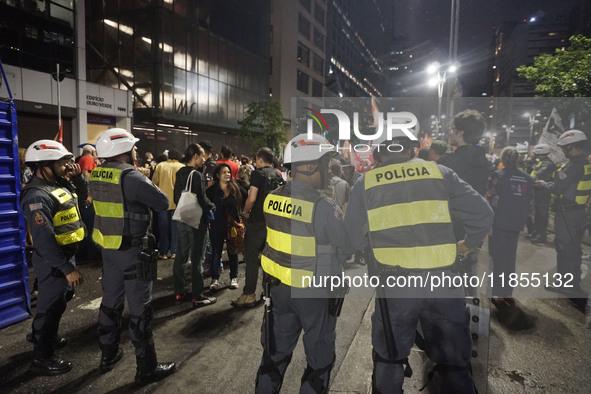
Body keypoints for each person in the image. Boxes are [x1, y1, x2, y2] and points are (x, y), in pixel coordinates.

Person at [345, 129, 494, 393]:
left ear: (379, 154)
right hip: (445, 280)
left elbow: (354, 240)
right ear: (412, 149)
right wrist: (469, 244)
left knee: (389, 358)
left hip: (395, 285)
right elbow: (483, 213)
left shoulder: (365, 183)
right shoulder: (439, 172)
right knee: (453, 363)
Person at [255, 133, 351, 392]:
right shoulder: (323, 206)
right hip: (313, 295)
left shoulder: (271, 198)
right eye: (325, 164)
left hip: (278, 292)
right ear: (309, 166)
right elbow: (347, 243)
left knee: (272, 361)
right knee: (319, 363)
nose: (329, 170)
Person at [89, 128, 175, 383]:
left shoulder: (98, 173)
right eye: (134, 147)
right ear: (123, 151)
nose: (136, 151)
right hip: (133, 252)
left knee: (110, 304)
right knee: (140, 311)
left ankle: (108, 355)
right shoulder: (131, 177)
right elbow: (161, 202)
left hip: (109, 249)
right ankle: (146, 368)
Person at [21, 140, 86, 375]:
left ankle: (41, 334)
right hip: (54, 260)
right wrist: (67, 268)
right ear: (43, 166)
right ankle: (41, 357)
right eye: (62, 162)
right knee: (51, 307)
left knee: (62, 297)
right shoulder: (36, 196)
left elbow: (80, 200)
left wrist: (77, 179)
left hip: (65, 254)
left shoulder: (57, 184)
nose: (68, 165)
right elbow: (44, 240)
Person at [536, 130, 591, 298]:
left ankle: (567, 285)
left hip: (568, 214)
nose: (563, 151)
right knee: (573, 249)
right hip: (578, 212)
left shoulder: (574, 165)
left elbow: (558, 187)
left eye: (564, 147)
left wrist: (544, 184)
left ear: (571, 146)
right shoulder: (584, 163)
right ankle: (571, 283)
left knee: (565, 248)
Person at [232, 147, 284, 307]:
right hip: (273, 222)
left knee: (252, 259)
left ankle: (249, 294)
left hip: (257, 222)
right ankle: (266, 291)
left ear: (260, 159)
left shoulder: (258, 174)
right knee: (268, 258)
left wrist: (245, 212)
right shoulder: (277, 174)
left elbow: (252, 197)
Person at [486, 147, 533, 303]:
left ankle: (498, 294)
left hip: (499, 223)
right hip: (516, 224)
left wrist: (489, 223)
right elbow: (528, 202)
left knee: (497, 259)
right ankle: (507, 293)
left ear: (503, 159)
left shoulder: (497, 176)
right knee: (510, 258)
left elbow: (491, 200)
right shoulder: (527, 178)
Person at [172, 144, 217, 306]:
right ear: (196, 156)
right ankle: (198, 295)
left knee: (181, 257)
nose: (204, 160)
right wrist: (213, 207)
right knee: (198, 258)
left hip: (182, 218)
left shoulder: (179, 173)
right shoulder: (196, 175)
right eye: (202, 156)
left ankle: (179, 291)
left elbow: (177, 198)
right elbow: (202, 200)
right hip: (197, 221)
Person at [207, 163, 247, 290]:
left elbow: (248, 197)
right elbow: (205, 204)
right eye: (224, 172)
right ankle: (215, 278)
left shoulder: (236, 187)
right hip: (216, 224)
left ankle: (234, 277)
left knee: (233, 251)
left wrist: (244, 214)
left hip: (232, 225)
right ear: (218, 175)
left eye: (228, 172)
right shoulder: (212, 190)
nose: (227, 174)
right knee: (216, 252)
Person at [152, 149, 184, 259]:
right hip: (177, 202)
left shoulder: (160, 166)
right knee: (175, 229)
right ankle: (174, 251)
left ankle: (163, 252)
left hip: (162, 202)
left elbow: (154, 182)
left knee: (163, 228)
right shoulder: (181, 167)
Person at [529, 143, 556, 244]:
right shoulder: (542, 162)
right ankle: (537, 231)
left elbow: (538, 175)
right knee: (538, 213)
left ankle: (541, 235)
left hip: (543, 192)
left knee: (542, 214)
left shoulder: (547, 164)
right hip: (539, 192)